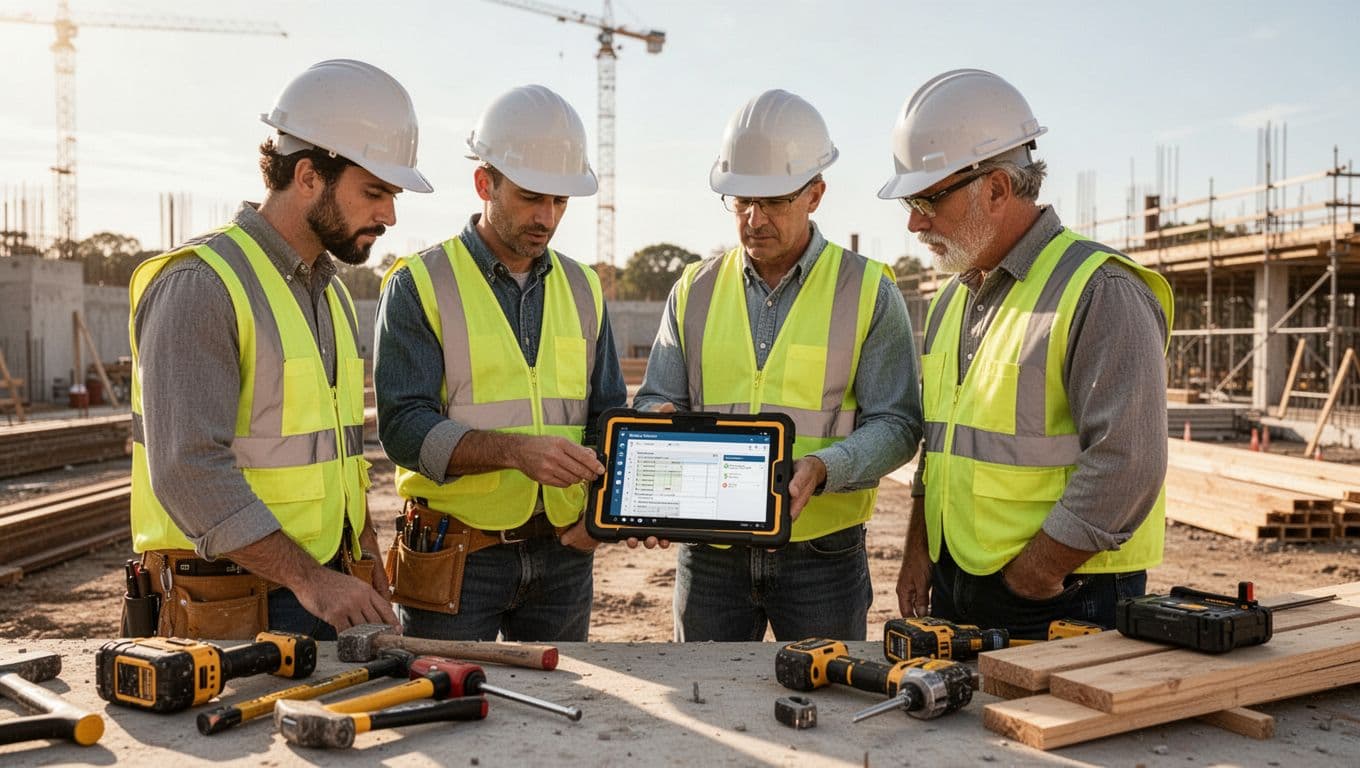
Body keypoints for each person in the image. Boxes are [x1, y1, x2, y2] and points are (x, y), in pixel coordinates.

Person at [130, 59, 432, 639]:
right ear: (309, 175)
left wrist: (363, 553)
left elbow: (338, 459)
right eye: (375, 192)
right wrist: (310, 580)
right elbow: (187, 469)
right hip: (227, 606)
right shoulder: (203, 285)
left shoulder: (333, 296)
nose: (390, 215)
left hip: (318, 589)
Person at [884, 69, 1173, 639]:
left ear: (996, 189)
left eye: (927, 199)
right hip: (958, 579)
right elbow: (940, 448)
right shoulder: (952, 300)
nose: (915, 222)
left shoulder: (1099, 289)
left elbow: (1129, 461)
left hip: (1062, 593)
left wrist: (1033, 577)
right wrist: (920, 549)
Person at [633, 89, 922, 642]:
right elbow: (654, 399)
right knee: (706, 709)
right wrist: (661, 426)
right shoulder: (693, 288)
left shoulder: (867, 290)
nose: (753, 218)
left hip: (822, 556)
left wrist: (822, 468)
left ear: (815, 193)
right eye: (741, 200)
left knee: (826, 705)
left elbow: (898, 424)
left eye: (773, 201)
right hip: (712, 557)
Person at [374, 85, 626, 642]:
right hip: (456, 554)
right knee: (446, 710)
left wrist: (599, 519)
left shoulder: (584, 287)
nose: (547, 217)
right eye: (532, 197)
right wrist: (515, 452)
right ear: (485, 183)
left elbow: (607, 414)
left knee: (562, 715)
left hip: (562, 556)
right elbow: (403, 428)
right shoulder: (420, 284)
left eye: (560, 201)